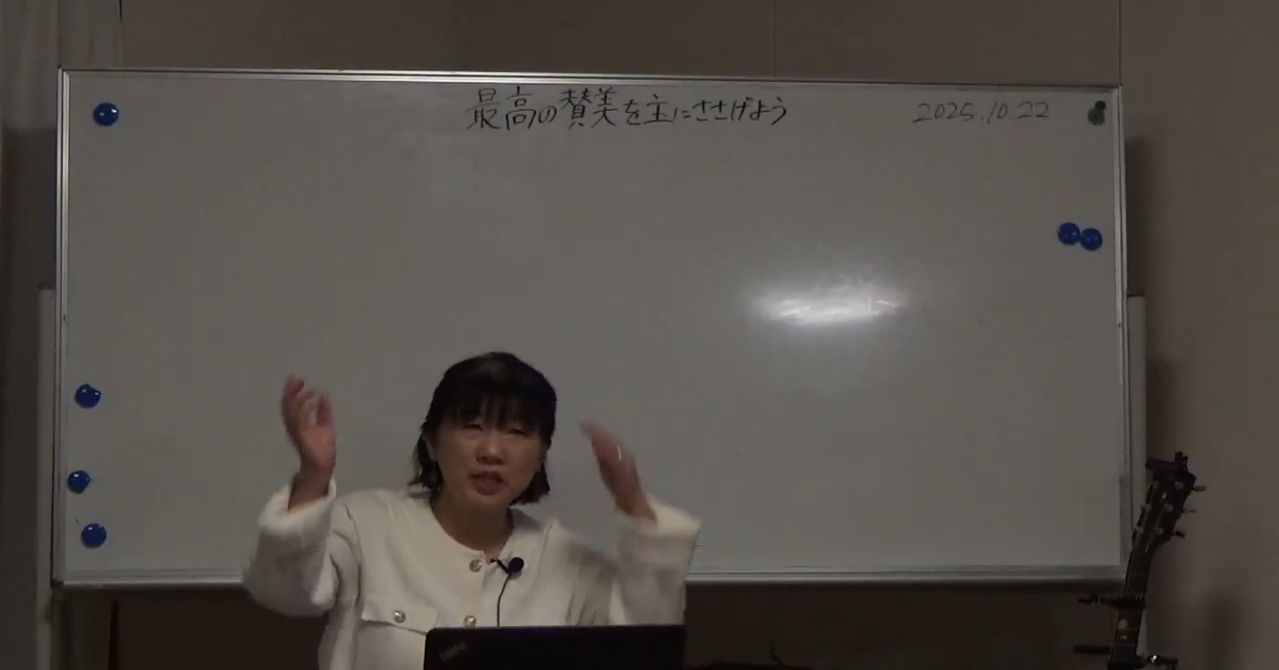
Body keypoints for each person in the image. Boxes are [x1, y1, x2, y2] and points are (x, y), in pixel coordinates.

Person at [242, 351, 700, 670]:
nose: (491, 451)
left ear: (540, 455)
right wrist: (314, 475)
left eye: (516, 432)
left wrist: (632, 502)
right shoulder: (366, 524)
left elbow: (644, 646)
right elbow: (284, 591)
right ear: (432, 443)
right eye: (473, 426)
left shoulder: (569, 562)